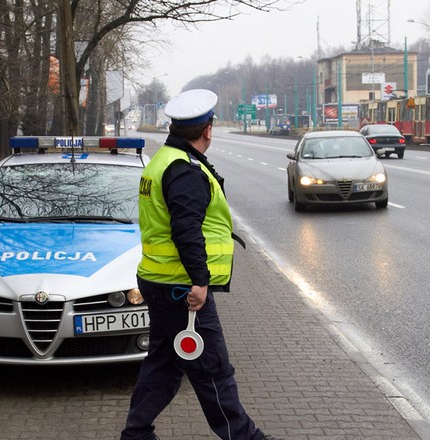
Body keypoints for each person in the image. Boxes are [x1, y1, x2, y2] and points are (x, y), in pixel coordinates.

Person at [121, 89, 282, 440]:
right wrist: (199, 282)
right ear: (208, 130)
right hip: (182, 288)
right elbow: (186, 229)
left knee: (163, 365)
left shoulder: (163, 160)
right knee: (213, 371)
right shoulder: (185, 171)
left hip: (159, 279)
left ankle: (136, 434)